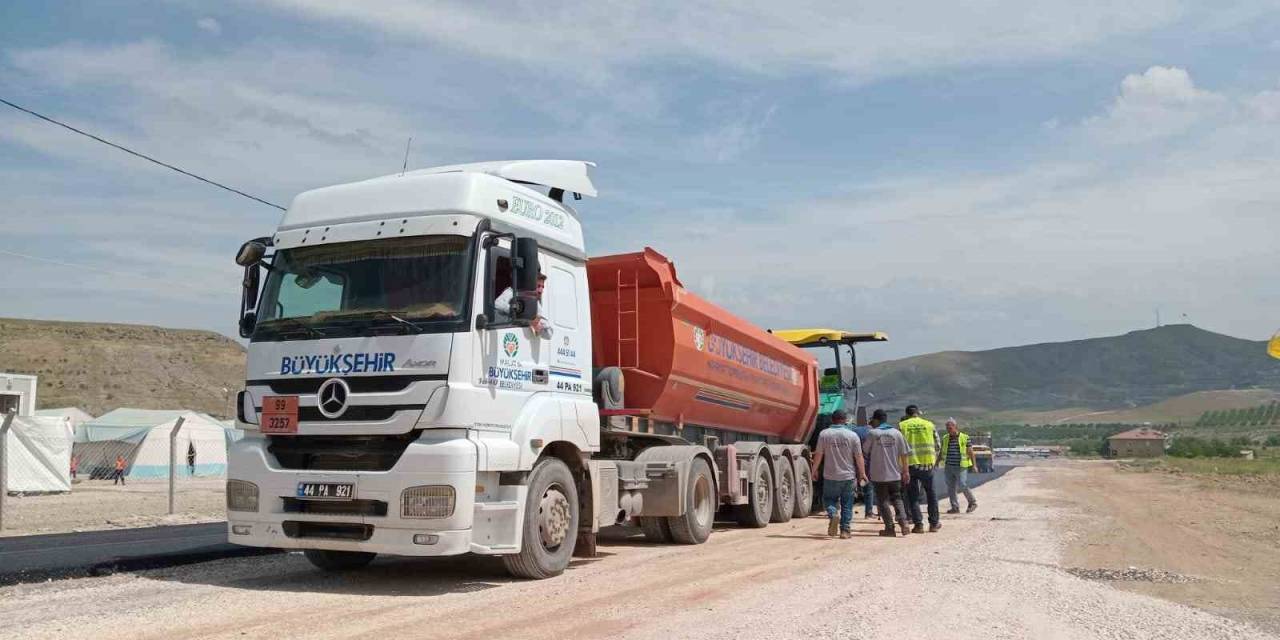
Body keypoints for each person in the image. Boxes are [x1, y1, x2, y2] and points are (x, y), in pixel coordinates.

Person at [809, 409, 868, 539]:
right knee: (847, 504)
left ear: (832, 420)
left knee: (828, 499)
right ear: (845, 420)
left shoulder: (824, 434)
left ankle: (833, 513)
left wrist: (814, 470)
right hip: (849, 476)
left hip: (830, 476)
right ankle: (845, 531)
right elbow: (859, 456)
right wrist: (862, 473)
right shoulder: (852, 435)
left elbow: (819, 454)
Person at [863, 409, 911, 537]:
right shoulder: (897, 433)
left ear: (876, 420)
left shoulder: (873, 433)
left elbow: (865, 451)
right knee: (897, 498)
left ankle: (890, 528)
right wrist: (906, 471)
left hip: (878, 474)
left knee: (883, 500)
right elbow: (904, 454)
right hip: (895, 473)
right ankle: (904, 523)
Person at [899, 404, 941, 533]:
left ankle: (918, 525)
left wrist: (901, 466)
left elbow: (899, 447)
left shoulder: (902, 426)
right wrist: (934, 460)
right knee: (931, 493)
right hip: (927, 464)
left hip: (910, 465)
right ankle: (934, 524)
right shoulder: (929, 424)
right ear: (918, 413)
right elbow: (938, 446)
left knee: (913, 495)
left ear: (907, 414)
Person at [495, 272, 552, 339]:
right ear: (530, 285)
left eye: (542, 287)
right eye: (538, 286)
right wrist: (516, 310)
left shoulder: (536, 303)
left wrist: (539, 327)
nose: (541, 291)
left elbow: (549, 335)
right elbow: (497, 304)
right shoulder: (512, 292)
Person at [941, 418, 978, 514]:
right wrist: (937, 462)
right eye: (947, 428)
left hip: (960, 466)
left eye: (950, 428)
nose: (948, 430)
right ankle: (955, 507)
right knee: (951, 487)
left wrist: (974, 465)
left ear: (955, 427)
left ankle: (972, 502)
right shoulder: (945, 438)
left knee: (962, 484)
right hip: (948, 466)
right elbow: (942, 451)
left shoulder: (965, 437)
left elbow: (970, 452)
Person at [851, 416, 877, 519]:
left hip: (852, 462)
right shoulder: (873, 433)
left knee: (849, 488)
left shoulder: (855, 430)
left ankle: (845, 511)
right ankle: (869, 512)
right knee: (868, 488)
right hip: (867, 464)